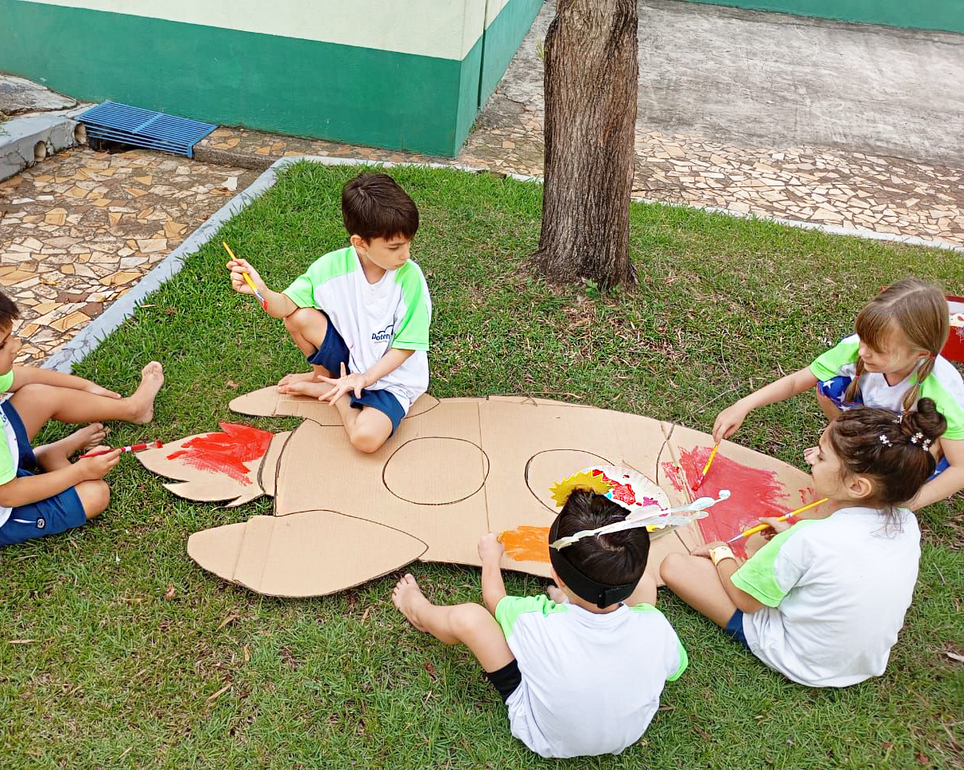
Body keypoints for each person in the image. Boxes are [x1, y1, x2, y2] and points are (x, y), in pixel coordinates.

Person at [661, 400, 945, 687]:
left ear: (858, 486)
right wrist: (788, 541)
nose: (810, 459)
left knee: (676, 566)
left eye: (821, 458)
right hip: (860, 663)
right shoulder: (906, 524)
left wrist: (720, 552)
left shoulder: (808, 539)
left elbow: (745, 601)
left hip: (801, 658)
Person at [392, 488, 687, 759]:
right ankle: (595, 594)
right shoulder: (657, 628)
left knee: (471, 619)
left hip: (543, 733)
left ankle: (418, 610)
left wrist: (491, 558)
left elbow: (495, 601)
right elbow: (674, 670)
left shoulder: (534, 619)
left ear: (556, 576)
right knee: (649, 592)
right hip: (627, 735)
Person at [0, 271, 164, 550]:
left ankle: (133, 409)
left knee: (37, 395)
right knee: (95, 493)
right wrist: (81, 472)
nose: (15, 346)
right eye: (1, 346)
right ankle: (51, 456)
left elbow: (23, 378)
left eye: (11, 336)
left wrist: (87, 387)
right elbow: (8, 495)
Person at [712, 278, 963, 510]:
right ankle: (841, 450)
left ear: (920, 355)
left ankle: (891, 473)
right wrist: (743, 405)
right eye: (863, 339)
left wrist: (907, 503)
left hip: (913, 438)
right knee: (829, 383)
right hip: (880, 420)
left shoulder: (941, 392)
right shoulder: (856, 349)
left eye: (878, 349)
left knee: (902, 474)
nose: (863, 351)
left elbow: (960, 468)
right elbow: (797, 381)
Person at [227, 172, 431, 453]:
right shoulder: (330, 268)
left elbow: (407, 347)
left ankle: (334, 394)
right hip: (351, 359)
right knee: (299, 317)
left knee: (365, 439)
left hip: (391, 380)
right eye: (394, 247)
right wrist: (259, 289)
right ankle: (320, 377)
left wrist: (364, 379)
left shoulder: (410, 279)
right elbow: (284, 306)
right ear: (360, 243)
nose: (405, 254)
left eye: (409, 243)